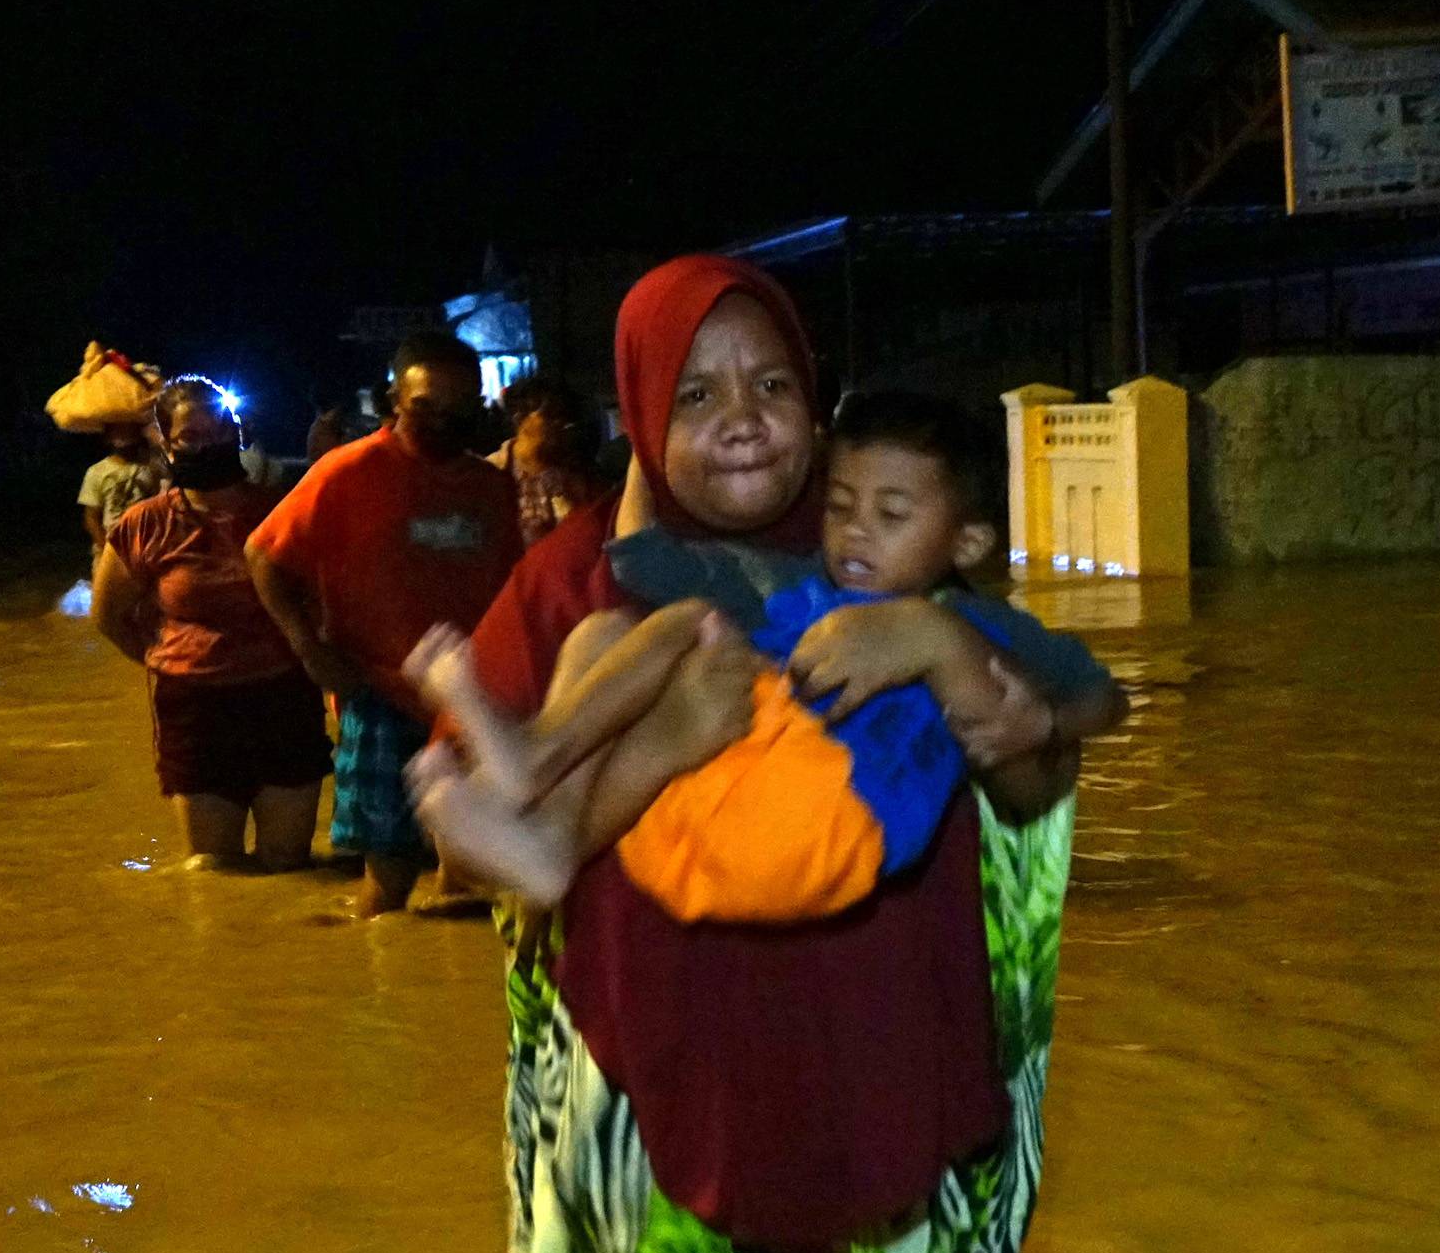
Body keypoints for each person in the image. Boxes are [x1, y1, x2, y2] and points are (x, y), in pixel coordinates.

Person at [415, 256, 1097, 1253]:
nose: (741, 417)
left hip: (874, 1056)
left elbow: (1029, 785)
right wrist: (668, 742)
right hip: (659, 1091)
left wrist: (945, 647)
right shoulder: (579, 584)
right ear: (639, 415)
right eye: (695, 393)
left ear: (819, 400)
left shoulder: (891, 555)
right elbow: (467, 849)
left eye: (773, 384)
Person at [405, 390, 1123, 920]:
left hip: (836, 815)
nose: (855, 534)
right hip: (756, 801)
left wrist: (1047, 726)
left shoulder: (974, 623)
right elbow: (648, 562)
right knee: (606, 634)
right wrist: (647, 433)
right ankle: (546, 829)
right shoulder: (809, 581)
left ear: (967, 543)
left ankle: (535, 762)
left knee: (689, 623)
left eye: (891, 516)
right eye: (840, 507)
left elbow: (1103, 693)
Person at [247, 332, 522, 917]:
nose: (444, 421)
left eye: (459, 407)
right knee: (387, 890)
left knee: (475, 887)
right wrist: (309, 651)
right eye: (427, 406)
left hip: (474, 701)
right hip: (380, 695)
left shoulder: (494, 488)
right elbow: (263, 554)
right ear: (393, 400)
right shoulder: (348, 472)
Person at [91, 379, 329, 870]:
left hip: (283, 698)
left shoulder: (280, 510)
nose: (205, 446)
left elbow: (326, 599)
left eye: (215, 431)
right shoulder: (145, 524)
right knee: (211, 869)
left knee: (288, 863)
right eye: (189, 437)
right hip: (196, 710)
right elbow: (109, 616)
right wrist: (166, 657)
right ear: (165, 442)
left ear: (237, 431)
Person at [487, 371, 590, 546]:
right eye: (549, 414)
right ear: (519, 416)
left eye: (562, 415)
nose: (558, 423)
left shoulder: (572, 475)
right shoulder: (491, 472)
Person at [77, 420, 167, 549]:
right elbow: (91, 517)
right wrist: (104, 547)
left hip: (145, 546)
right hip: (111, 544)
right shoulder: (96, 471)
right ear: (107, 438)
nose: (123, 437)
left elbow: (160, 503)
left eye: (128, 432)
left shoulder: (150, 468)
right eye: (117, 433)